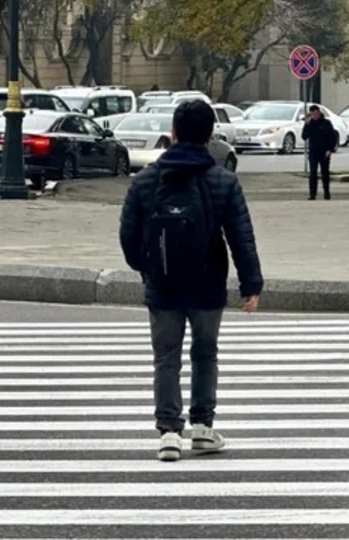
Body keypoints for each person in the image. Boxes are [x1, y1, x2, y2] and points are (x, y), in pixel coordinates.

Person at [119, 100, 264, 463]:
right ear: (211, 135)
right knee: (205, 352)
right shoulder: (223, 180)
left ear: (174, 131)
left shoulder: (146, 180)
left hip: (163, 285)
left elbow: (128, 235)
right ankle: (202, 427)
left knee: (165, 357)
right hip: (208, 283)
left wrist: (147, 268)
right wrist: (251, 285)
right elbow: (240, 237)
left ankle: (169, 432)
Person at [301, 105, 337, 200]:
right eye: (312, 114)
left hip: (324, 151)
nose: (314, 116)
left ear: (319, 113)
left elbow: (332, 136)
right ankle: (312, 194)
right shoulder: (310, 124)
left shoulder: (326, 123)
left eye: (315, 113)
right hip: (313, 151)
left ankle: (326, 192)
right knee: (313, 173)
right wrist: (306, 124)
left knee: (325, 173)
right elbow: (304, 136)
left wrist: (330, 149)